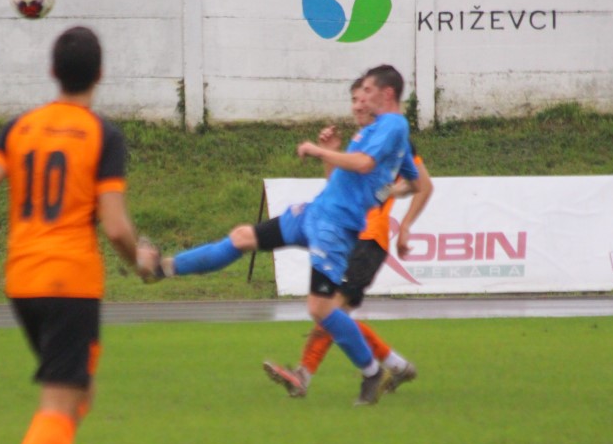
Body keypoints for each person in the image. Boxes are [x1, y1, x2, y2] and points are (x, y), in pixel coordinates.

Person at [0, 26, 156, 444]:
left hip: (23, 282)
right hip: (71, 283)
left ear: (52, 71)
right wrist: (139, 262)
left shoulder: (20, 127)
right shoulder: (101, 135)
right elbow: (116, 226)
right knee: (61, 403)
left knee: (78, 394)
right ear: (100, 74)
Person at [147, 65, 420, 406]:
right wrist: (382, 188)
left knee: (321, 309)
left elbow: (367, 166)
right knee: (242, 237)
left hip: (335, 229)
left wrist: (321, 152)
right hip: (313, 214)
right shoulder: (380, 130)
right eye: (358, 93)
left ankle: (371, 372)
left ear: (387, 93)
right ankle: (163, 268)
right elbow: (409, 181)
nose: (361, 98)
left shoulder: (393, 125)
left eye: (366, 91)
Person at [262, 78, 433, 398]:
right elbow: (336, 186)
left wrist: (405, 224)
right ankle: (396, 366)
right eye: (354, 99)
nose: (358, 104)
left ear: (380, 99)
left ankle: (304, 375)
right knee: (333, 313)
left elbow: (423, 185)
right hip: (344, 236)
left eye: (364, 96)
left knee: (331, 311)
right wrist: (330, 154)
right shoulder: (360, 141)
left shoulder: (395, 139)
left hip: (369, 242)